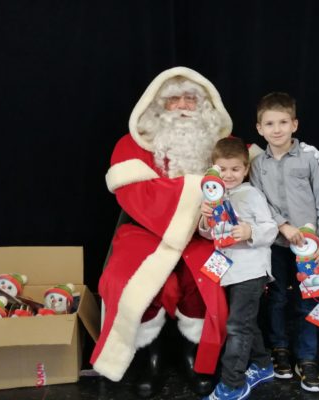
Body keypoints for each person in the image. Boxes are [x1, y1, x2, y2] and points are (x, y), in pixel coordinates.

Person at [90, 66, 244, 398]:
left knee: (203, 279)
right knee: (126, 277)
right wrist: (197, 191)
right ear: (159, 106)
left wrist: (205, 217)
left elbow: (241, 185)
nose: (184, 106)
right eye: (175, 99)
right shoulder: (131, 145)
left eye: (191, 99)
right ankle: (152, 359)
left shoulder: (224, 146)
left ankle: (194, 356)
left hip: (205, 233)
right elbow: (136, 196)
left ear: (204, 106)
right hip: (145, 231)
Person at [249, 92, 319, 393]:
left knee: (308, 301)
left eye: (283, 122)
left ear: (294, 124)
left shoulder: (309, 159)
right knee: (277, 298)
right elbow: (259, 202)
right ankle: (280, 349)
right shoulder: (257, 165)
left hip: (309, 250)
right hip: (276, 244)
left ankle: (307, 357)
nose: (277, 129)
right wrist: (283, 225)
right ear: (260, 128)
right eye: (269, 124)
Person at [198, 138, 278, 400]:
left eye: (235, 169)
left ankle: (232, 384)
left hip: (251, 271)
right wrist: (205, 218)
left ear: (245, 169)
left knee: (236, 327)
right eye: (222, 169)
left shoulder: (252, 195)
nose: (228, 175)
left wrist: (249, 231)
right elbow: (209, 234)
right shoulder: (214, 196)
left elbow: (270, 228)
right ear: (213, 169)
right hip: (228, 271)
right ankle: (263, 364)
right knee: (244, 322)